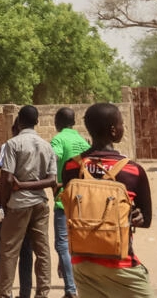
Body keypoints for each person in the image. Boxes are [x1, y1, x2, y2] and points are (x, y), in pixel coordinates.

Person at [61, 103, 153, 297]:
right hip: (120, 263)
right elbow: (146, 221)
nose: (122, 128)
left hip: (82, 263)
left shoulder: (71, 168)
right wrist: (133, 213)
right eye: (121, 123)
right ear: (113, 130)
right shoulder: (133, 171)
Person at [0, 105, 56, 298]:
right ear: (37, 122)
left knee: (9, 250)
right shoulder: (47, 146)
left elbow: (8, 179)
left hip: (18, 205)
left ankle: (4, 293)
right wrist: (31, 185)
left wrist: (2, 203)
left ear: (19, 121)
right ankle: (42, 293)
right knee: (42, 251)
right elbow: (53, 180)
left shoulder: (13, 144)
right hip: (40, 204)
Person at [50, 107, 89, 298]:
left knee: (62, 244)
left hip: (63, 200)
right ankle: (81, 285)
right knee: (78, 243)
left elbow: (52, 158)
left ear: (57, 122)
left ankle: (71, 289)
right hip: (82, 200)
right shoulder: (82, 141)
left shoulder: (58, 139)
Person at [0, 119, 34, 298]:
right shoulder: (38, 145)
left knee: (3, 249)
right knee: (26, 249)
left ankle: (5, 291)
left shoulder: (8, 146)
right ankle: (25, 292)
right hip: (32, 204)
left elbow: (4, 180)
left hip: (11, 204)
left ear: (15, 128)